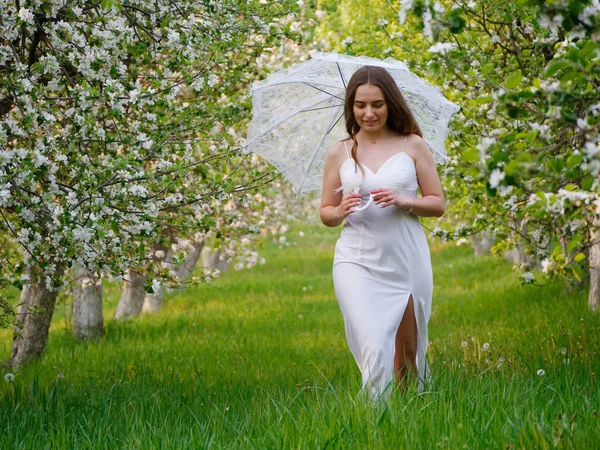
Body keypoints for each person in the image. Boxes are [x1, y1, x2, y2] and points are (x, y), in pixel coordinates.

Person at [319, 66, 445, 397]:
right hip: (356, 259)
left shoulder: (412, 145)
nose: (369, 113)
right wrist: (339, 210)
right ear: (351, 106)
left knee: (405, 357)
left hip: (404, 258)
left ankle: (410, 420)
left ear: (390, 103)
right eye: (360, 105)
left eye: (377, 104)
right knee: (375, 346)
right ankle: (375, 424)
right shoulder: (340, 153)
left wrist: (404, 200)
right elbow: (326, 213)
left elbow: (437, 204)